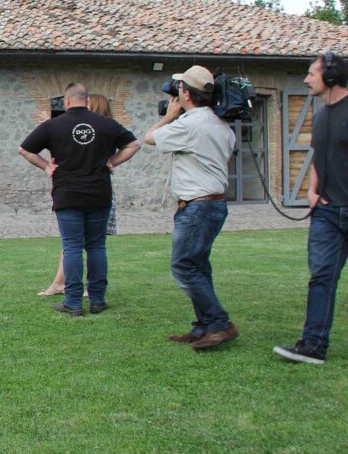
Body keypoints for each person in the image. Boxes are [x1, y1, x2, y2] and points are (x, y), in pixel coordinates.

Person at [20, 83, 140, 315]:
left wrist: (47, 166)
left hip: (68, 194)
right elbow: (134, 144)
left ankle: (73, 303)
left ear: (66, 101)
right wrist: (112, 162)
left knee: (72, 246)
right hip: (99, 193)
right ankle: (97, 300)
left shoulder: (53, 126)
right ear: (86, 100)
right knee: (96, 246)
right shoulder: (106, 124)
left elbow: (24, 149)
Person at [145, 65, 237, 350]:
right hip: (213, 206)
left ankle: (219, 324)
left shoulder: (190, 124)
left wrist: (170, 117)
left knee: (184, 266)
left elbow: (149, 138)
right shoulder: (221, 124)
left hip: (197, 208)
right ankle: (203, 327)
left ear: (185, 92)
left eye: (180, 89)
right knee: (199, 266)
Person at [274, 53, 348, 364]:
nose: (306, 79)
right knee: (321, 277)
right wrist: (313, 190)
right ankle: (313, 347)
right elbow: (320, 154)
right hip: (327, 214)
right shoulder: (320, 115)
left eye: (311, 74)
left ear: (330, 76)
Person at [37, 93, 121, 296]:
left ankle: (78, 287)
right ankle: (61, 283)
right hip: (93, 192)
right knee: (76, 243)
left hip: (86, 193)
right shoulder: (103, 130)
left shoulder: (99, 131)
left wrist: (50, 127)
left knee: (83, 243)